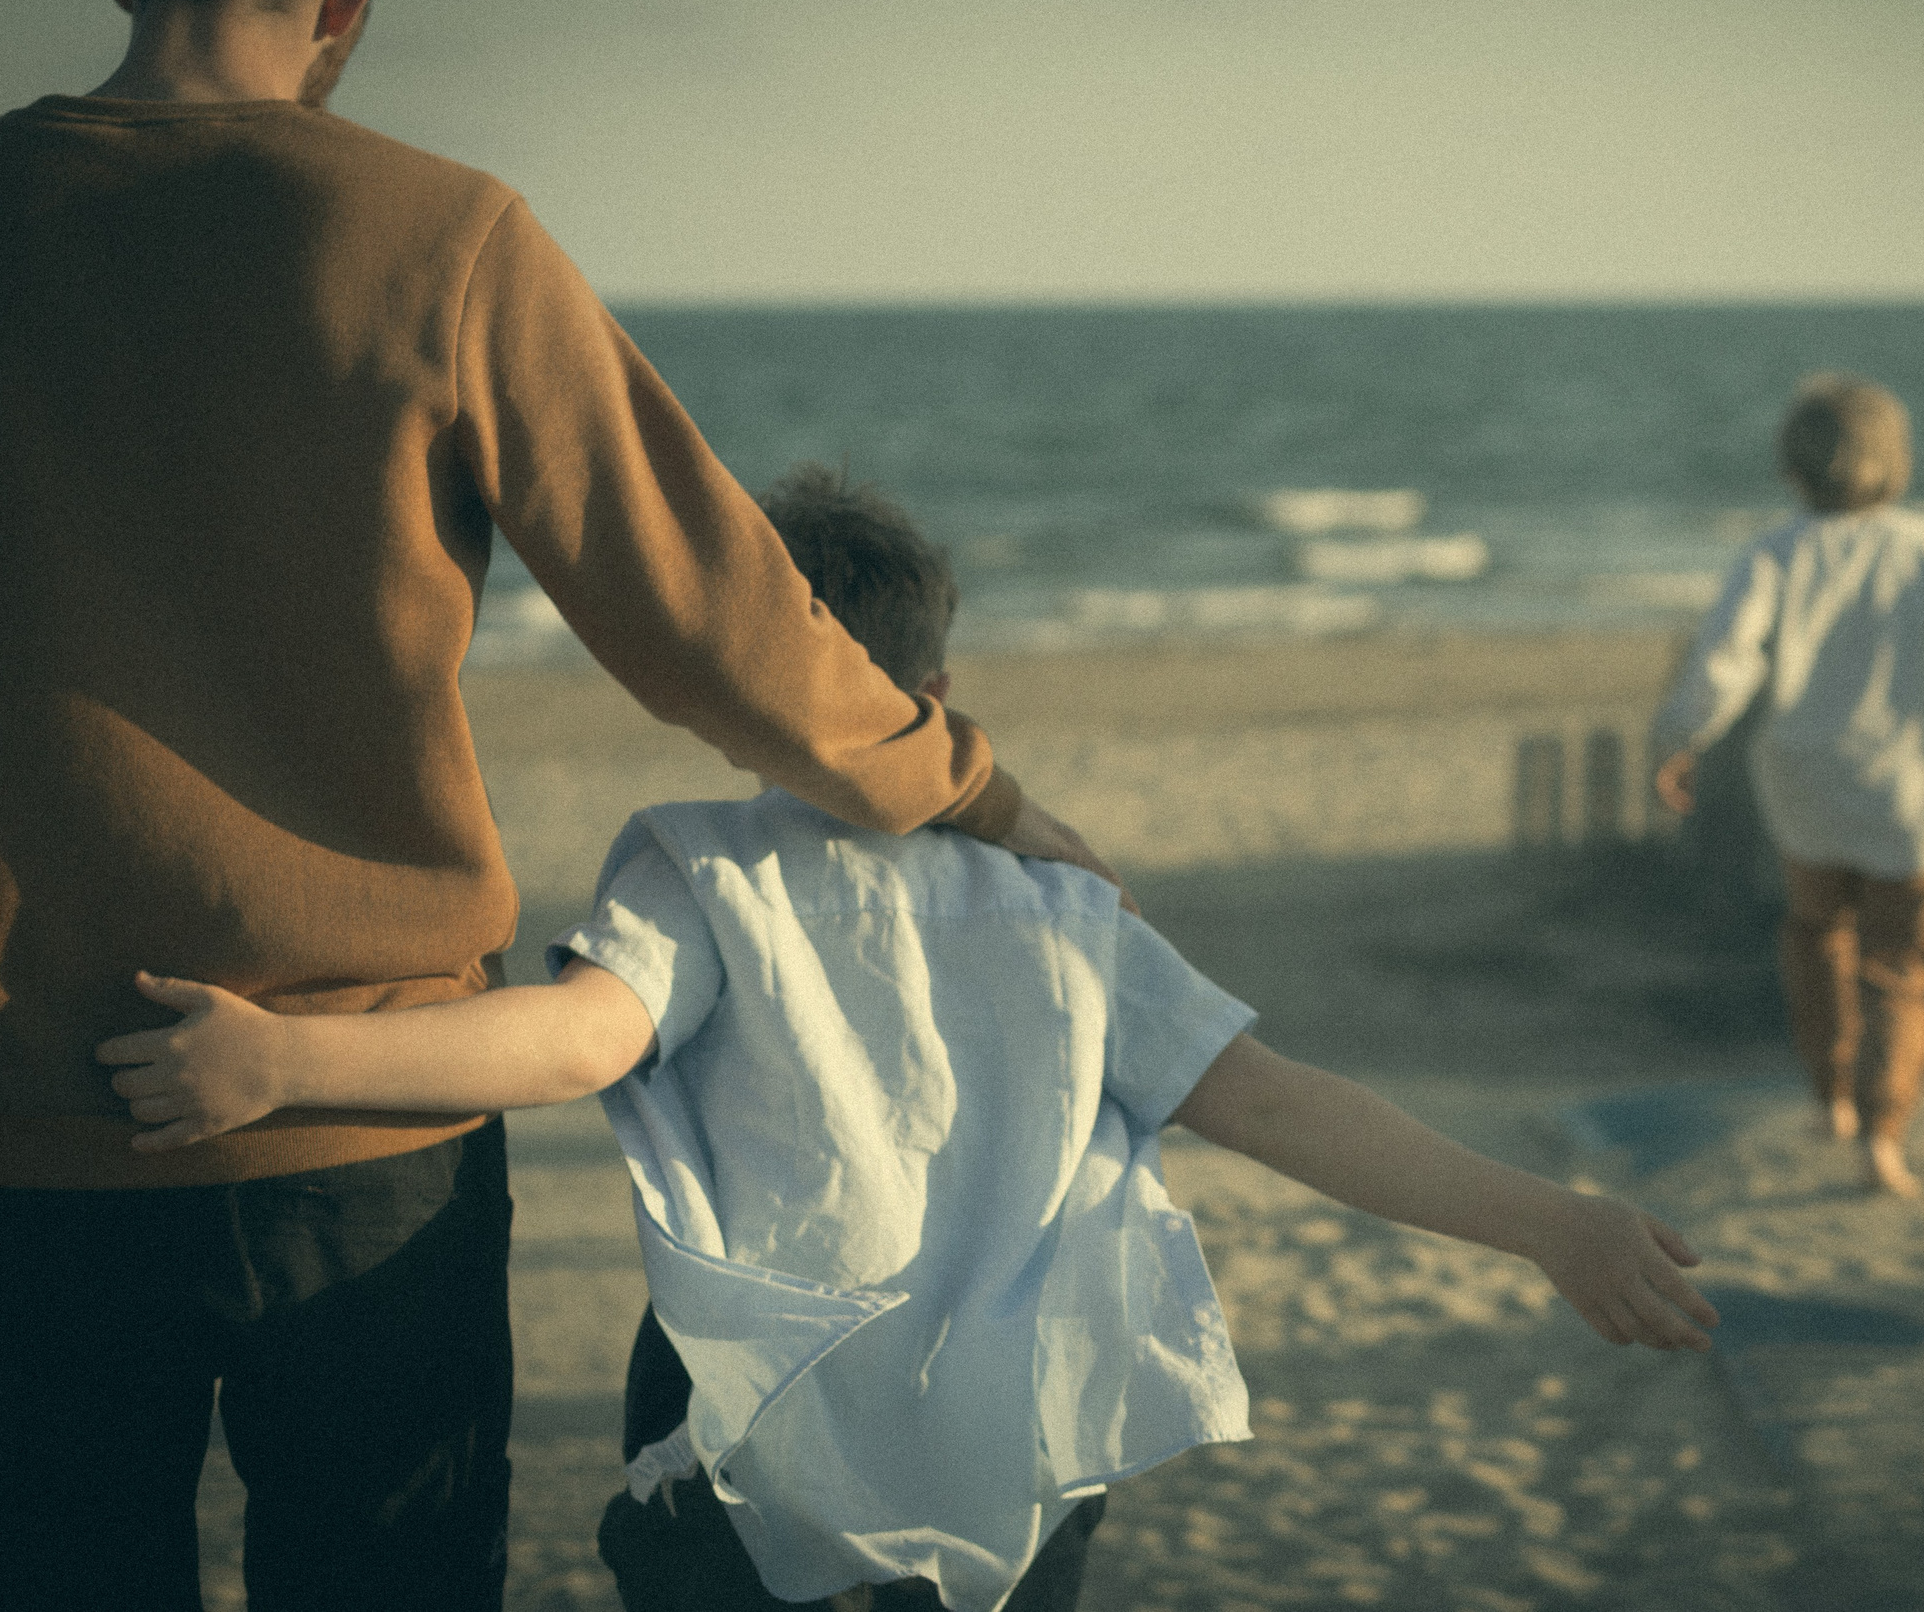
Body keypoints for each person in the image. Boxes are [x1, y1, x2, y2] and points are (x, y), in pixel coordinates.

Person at [0, 0, 1108, 1606]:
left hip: (10, 1126)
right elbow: (720, 626)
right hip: (370, 1127)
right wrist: (979, 795)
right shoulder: (442, 241)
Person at [98, 465, 1725, 1612]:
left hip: (762, 1391)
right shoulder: (1066, 906)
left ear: (725, 691)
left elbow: (572, 1039)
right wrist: (1548, 1218)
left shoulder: (705, 863)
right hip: (1017, 1409)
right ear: (938, 693)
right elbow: (1284, 1103)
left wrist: (289, 1058)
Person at [1650, 375, 1924, 1197]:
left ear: (1794, 463)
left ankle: (1833, 1094)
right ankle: (1882, 1136)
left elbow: (1724, 658)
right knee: (1901, 970)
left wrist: (1679, 738)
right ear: (1895, 458)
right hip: (1917, 797)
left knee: (1817, 933)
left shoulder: (1775, 552)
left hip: (1808, 788)